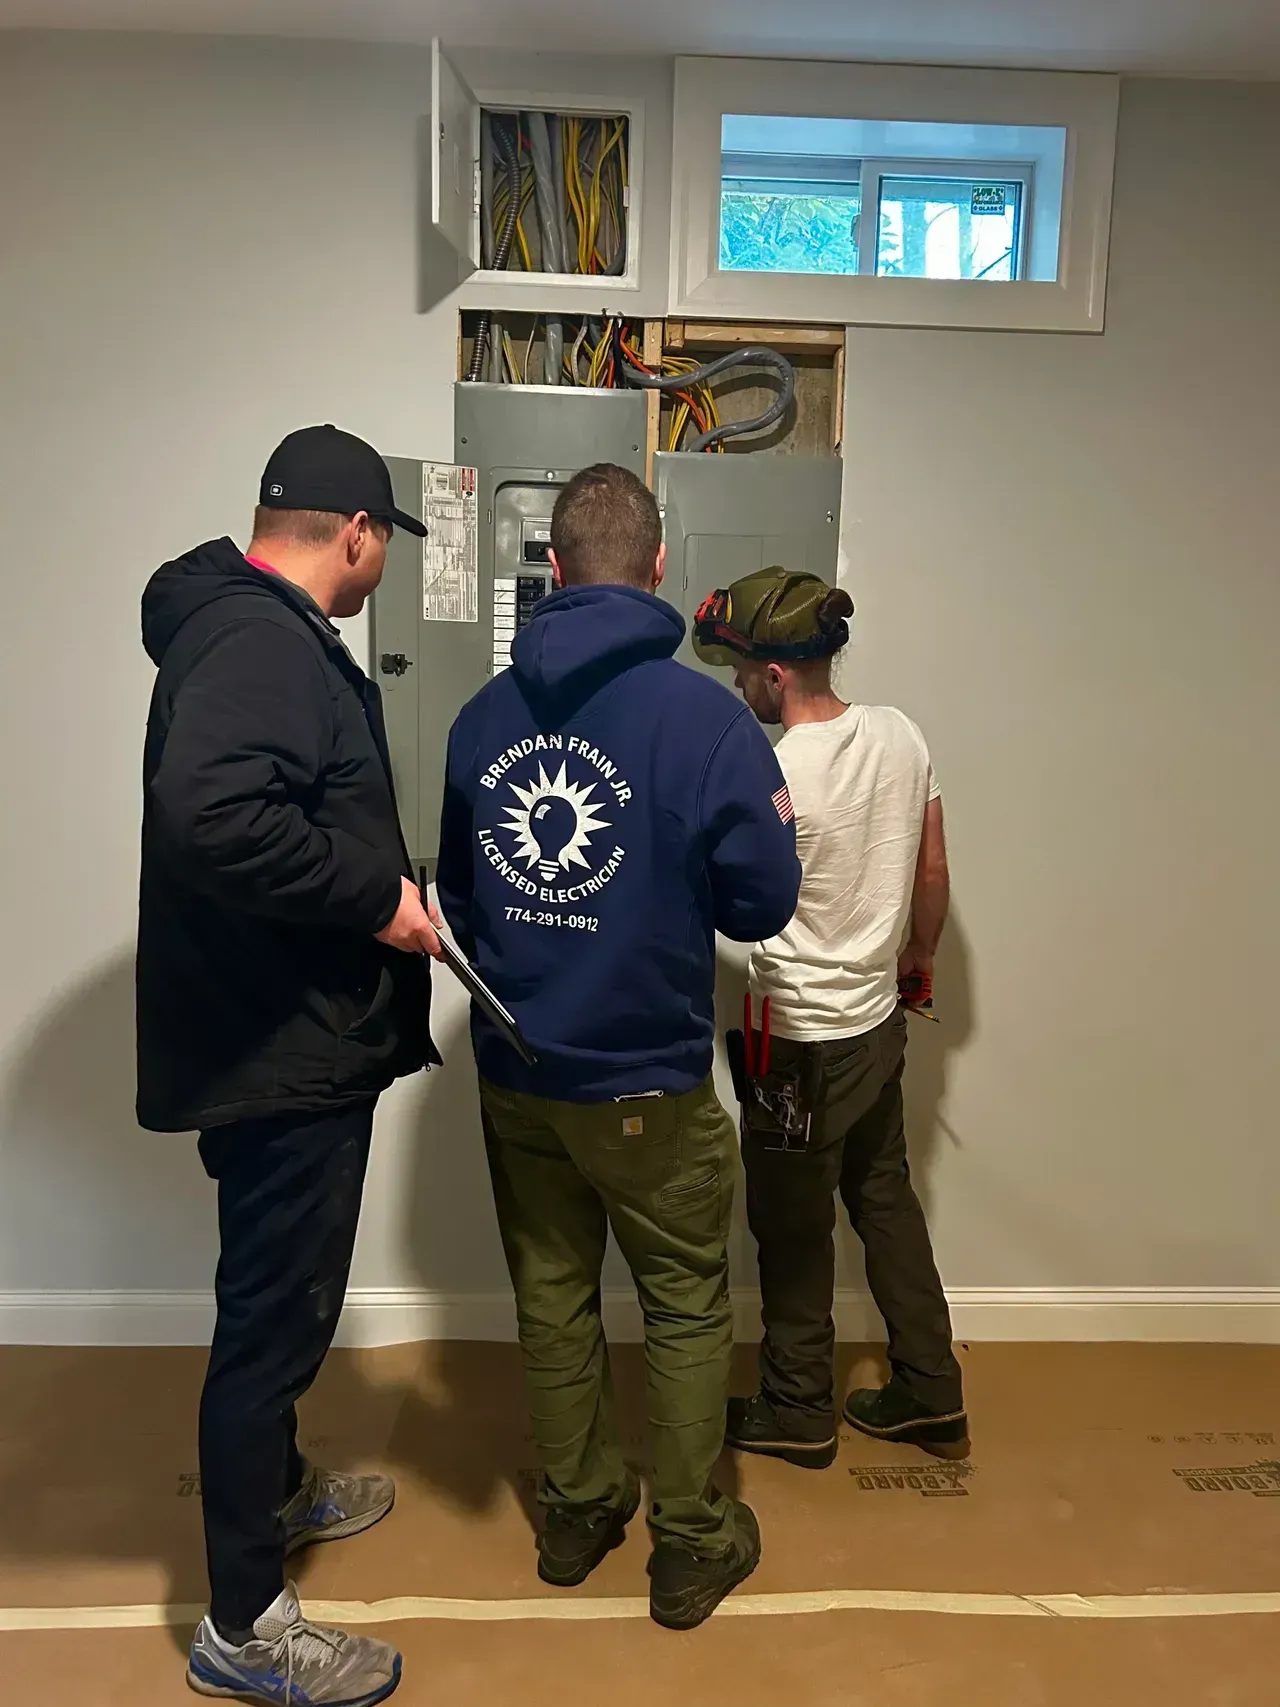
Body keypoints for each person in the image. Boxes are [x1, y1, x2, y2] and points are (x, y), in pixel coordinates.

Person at [436, 464, 801, 1630]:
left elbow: (461, 892)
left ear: (551, 567)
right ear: (656, 570)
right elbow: (757, 906)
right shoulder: (704, 719)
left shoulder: (482, 716)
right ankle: (689, 1542)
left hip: (517, 1069)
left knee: (552, 1295)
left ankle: (577, 1511)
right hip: (644, 1077)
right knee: (688, 1304)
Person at [137, 424, 443, 1706]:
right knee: (272, 1324)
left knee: (277, 1309)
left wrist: (373, 882)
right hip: (280, 1051)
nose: (384, 570)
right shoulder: (263, 641)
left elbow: (275, 813)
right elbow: (213, 816)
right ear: (356, 535)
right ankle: (244, 1625)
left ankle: (276, 1489)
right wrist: (376, 898)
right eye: (386, 549)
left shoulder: (244, 629)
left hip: (281, 1035)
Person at [692, 568, 967, 1470]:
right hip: (876, 1025)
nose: (737, 686)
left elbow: (734, 904)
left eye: (740, 670)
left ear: (776, 675)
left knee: (793, 1224)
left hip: (795, 1043)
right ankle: (931, 1387)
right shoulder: (902, 734)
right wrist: (916, 960)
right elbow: (931, 874)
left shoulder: (771, 774)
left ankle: (798, 1403)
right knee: (883, 1196)